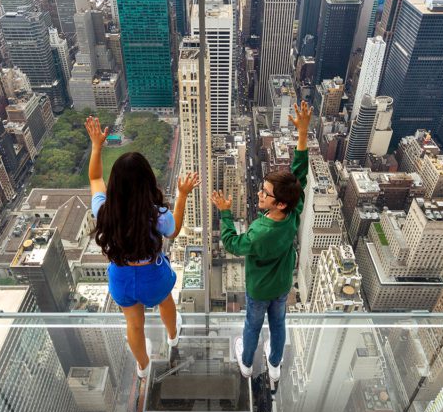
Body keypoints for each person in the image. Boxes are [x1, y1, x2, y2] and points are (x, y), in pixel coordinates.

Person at [86, 116, 199, 379]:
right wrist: (182, 195)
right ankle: (172, 338)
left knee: (134, 325)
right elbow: (174, 230)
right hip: (153, 276)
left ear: (115, 185)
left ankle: (143, 366)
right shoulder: (155, 214)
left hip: (122, 277)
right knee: (166, 304)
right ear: (147, 182)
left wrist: (96, 147)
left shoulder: (104, 211)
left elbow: (94, 178)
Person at [212, 101, 311, 382]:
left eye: (265, 194)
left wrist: (225, 213)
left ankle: (246, 363)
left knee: (252, 327)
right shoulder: (293, 211)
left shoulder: (259, 232)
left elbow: (231, 243)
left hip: (258, 289)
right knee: (279, 324)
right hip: (281, 285)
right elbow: (299, 175)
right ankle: (275, 363)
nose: (259, 194)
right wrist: (302, 136)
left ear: (278, 203)